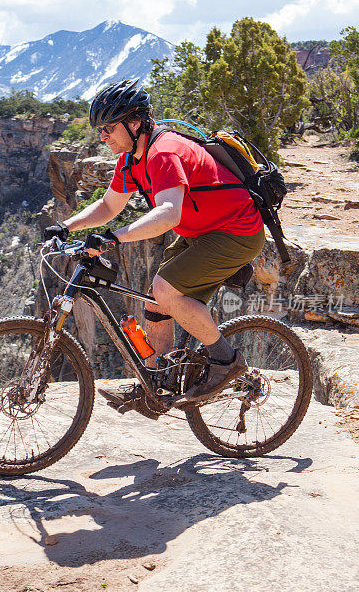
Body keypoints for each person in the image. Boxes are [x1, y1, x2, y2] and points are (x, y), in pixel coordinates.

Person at [44, 79, 265, 407]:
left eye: (107, 128)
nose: (102, 136)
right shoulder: (131, 158)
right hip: (200, 233)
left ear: (134, 124)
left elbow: (168, 214)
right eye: (100, 130)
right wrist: (66, 225)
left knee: (165, 290)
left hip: (236, 232)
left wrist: (113, 237)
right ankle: (158, 387)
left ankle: (226, 361)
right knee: (155, 302)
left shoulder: (163, 152)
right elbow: (108, 207)